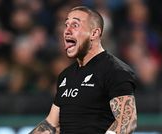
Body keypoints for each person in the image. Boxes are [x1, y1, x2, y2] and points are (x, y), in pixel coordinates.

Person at [29, 6, 137, 134]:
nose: (66, 31)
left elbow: (127, 120)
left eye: (75, 25)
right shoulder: (65, 76)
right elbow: (52, 125)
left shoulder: (115, 70)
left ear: (94, 33)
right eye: (66, 25)